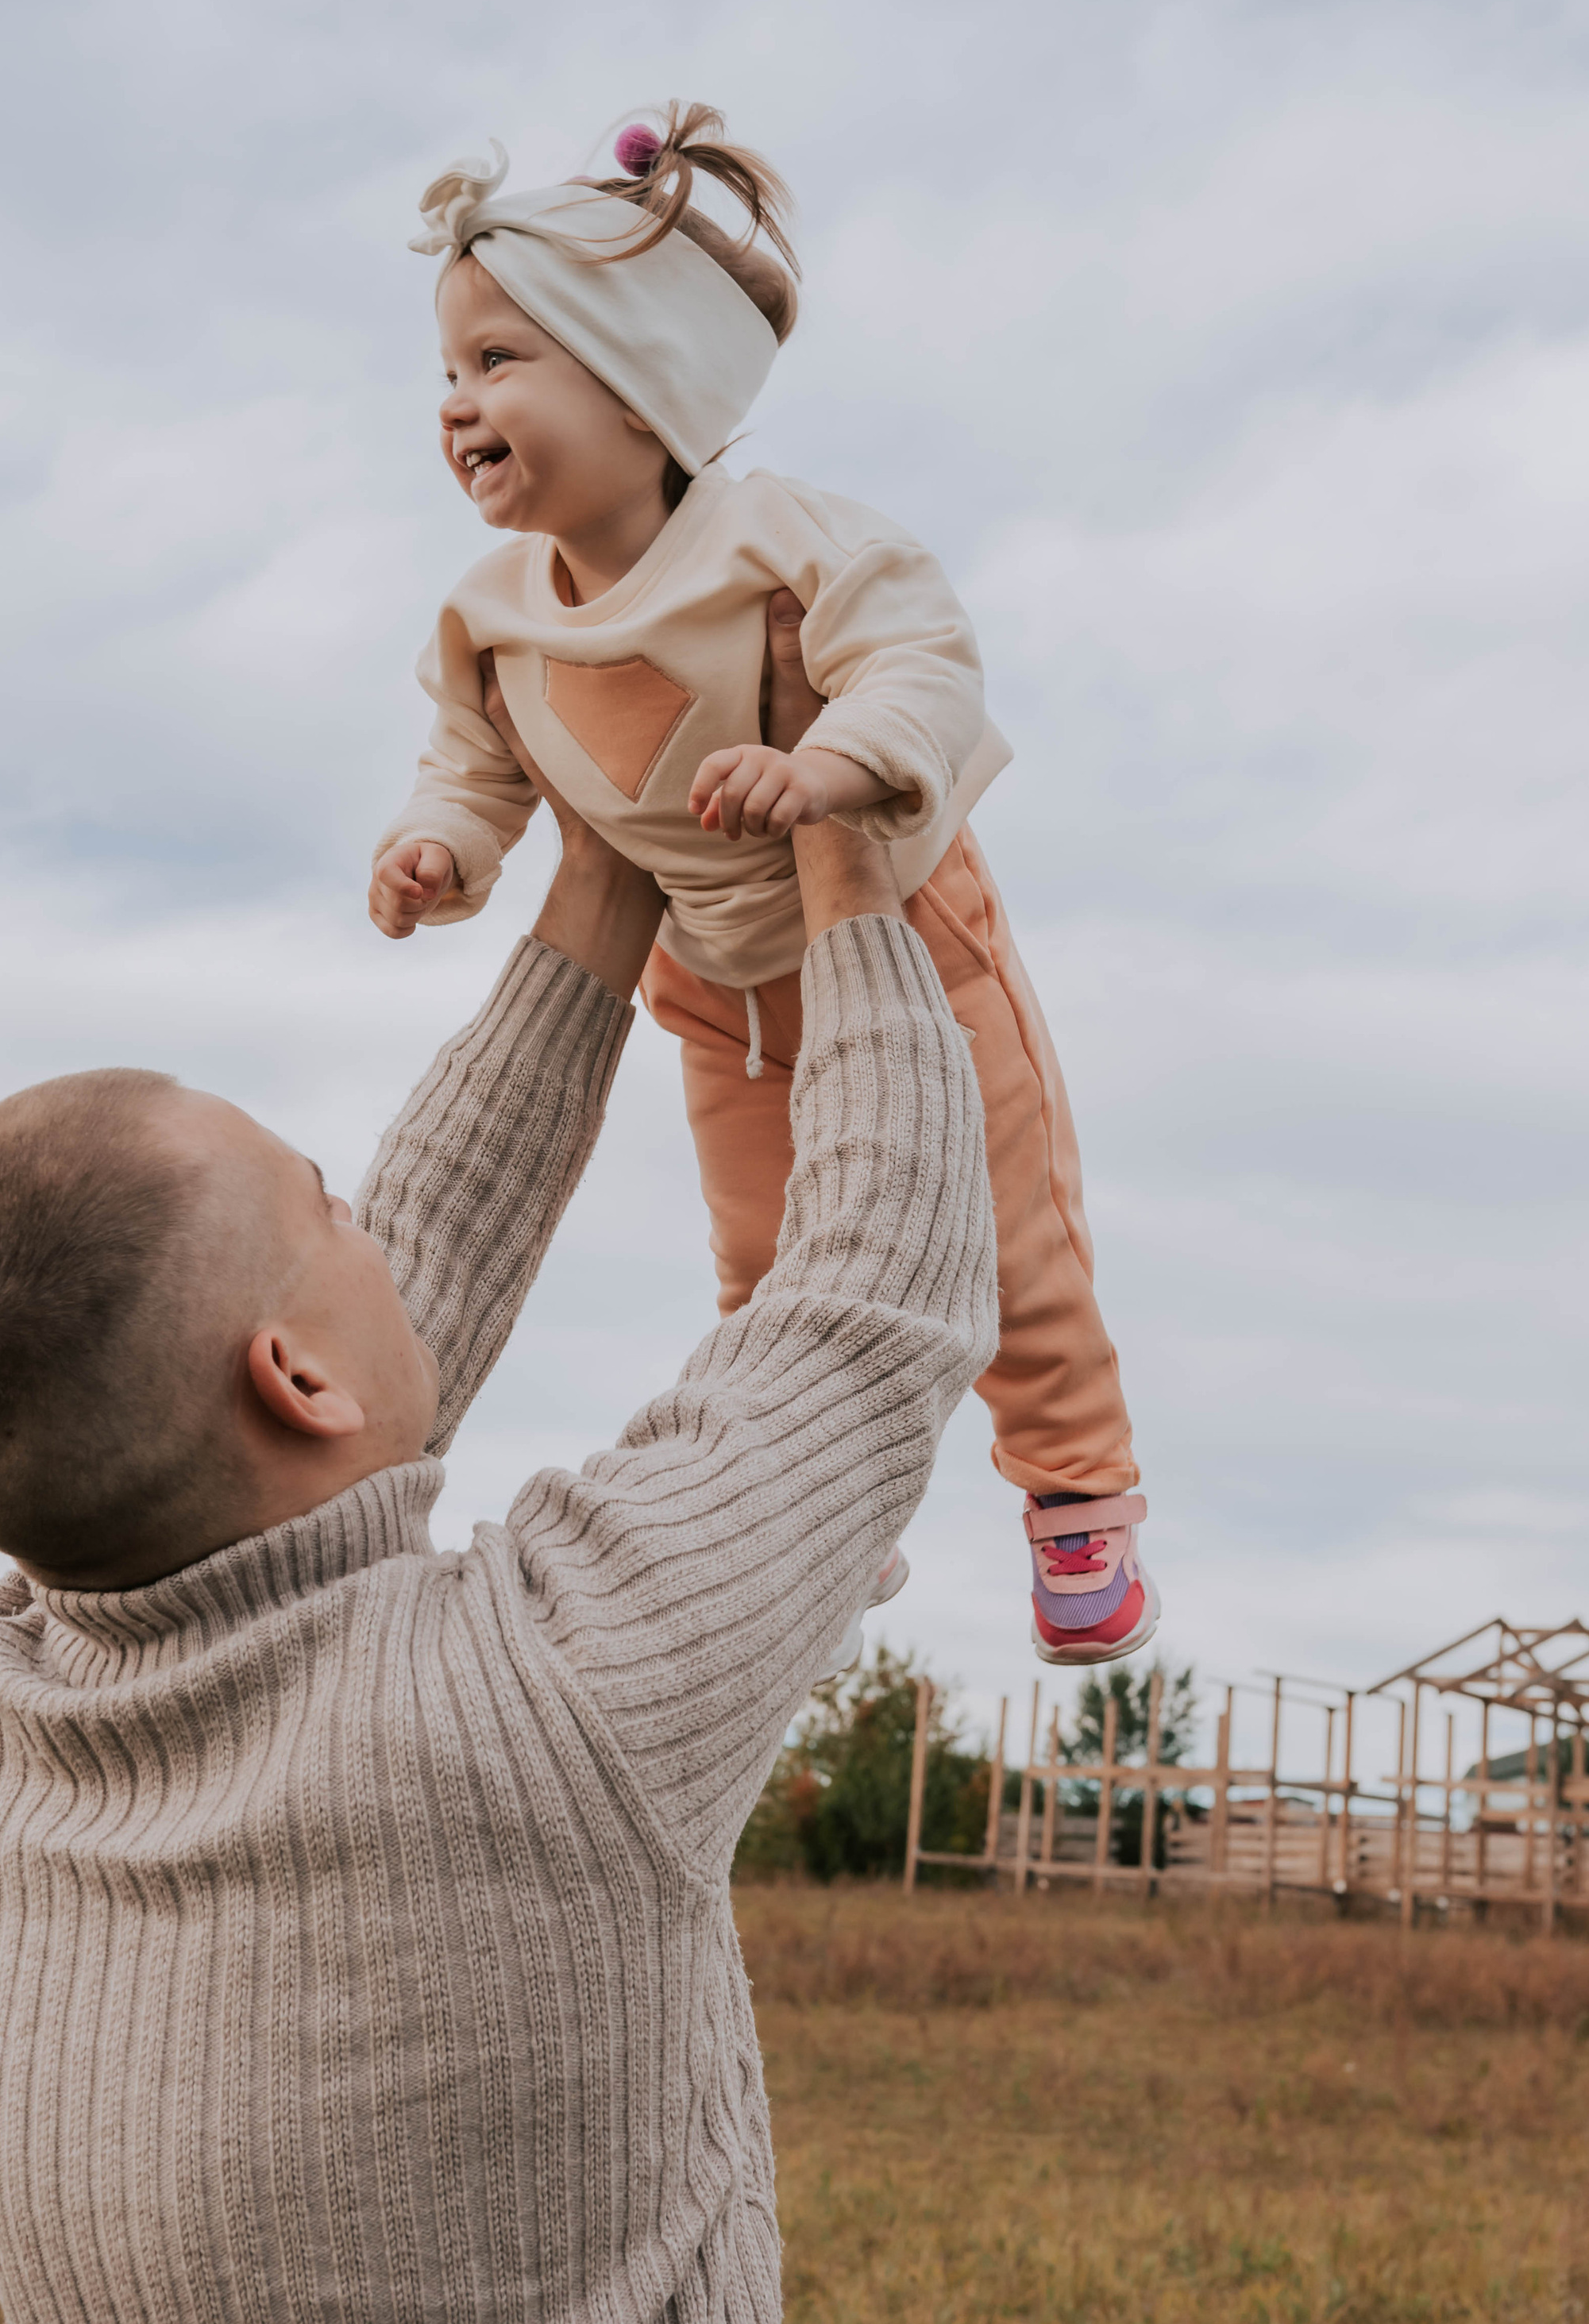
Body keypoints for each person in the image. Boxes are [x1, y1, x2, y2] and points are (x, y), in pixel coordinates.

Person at [0, 653, 997, 2324]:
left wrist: (604, 877)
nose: (372, 1220)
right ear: (291, 1369)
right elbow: (870, 1310)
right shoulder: (552, 1691)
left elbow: (338, 1378)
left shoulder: (6, 1700)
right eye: (324, 1206)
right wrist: (846, 851)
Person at [369, 102, 1154, 1668]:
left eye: (498, 360)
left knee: (1003, 1234)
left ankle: (1077, 1491)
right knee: (760, 1262)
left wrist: (838, 763)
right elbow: (476, 762)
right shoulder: (492, 615)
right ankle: (818, 1509)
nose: (456, 404)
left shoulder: (777, 540)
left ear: (643, 383)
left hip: (911, 949)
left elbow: (918, 659)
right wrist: (441, 848)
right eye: (446, 371)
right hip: (719, 989)